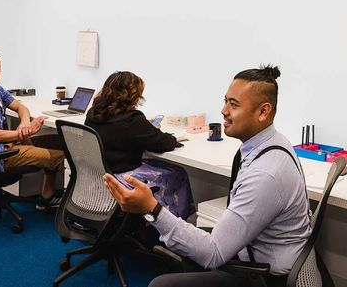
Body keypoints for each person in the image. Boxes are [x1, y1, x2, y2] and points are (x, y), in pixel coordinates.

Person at [103, 65, 310, 287]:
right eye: (225, 101)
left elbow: (213, 253)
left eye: (233, 104)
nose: (223, 110)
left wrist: (151, 209)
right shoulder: (273, 143)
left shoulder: (265, 174)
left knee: (159, 285)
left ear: (263, 112)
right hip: (250, 250)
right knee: (181, 241)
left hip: (266, 277)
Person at [0, 51, 65, 211]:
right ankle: (74, 206)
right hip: (0, 154)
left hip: (9, 144)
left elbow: (20, 107)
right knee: (63, 157)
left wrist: (24, 123)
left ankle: (46, 195)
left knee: (58, 141)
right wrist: (26, 132)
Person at [85, 71, 194, 220]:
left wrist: (144, 128)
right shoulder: (132, 119)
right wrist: (171, 138)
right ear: (132, 95)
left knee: (156, 164)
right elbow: (162, 143)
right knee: (178, 173)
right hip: (123, 176)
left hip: (100, 174)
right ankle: (175, 223)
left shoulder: (93, 114)